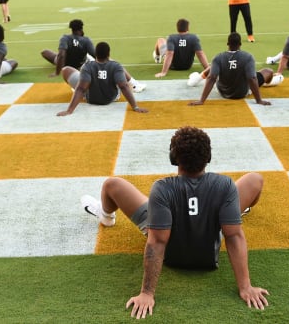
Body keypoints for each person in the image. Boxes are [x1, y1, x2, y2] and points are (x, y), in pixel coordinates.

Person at [80, 126, 269, 317]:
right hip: (209, 245)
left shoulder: (162, 188)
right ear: (208, 158)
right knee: (255, 179)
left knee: (111, 184)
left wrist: (147, 293)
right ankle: (231, 214)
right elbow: (234, 235)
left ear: (173, 158)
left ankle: (105, 216)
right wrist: (245, 287)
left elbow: (157, 242)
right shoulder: (225, 185)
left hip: (170, 250)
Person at [57, 42, 148, 116]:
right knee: (118, 69)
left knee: (66, 70)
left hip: (91, 98)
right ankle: (134, 85)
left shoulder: (87, 66)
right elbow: (124, 87)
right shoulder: (116, 66)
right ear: (108, 54)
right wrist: (135, 107)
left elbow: (81, 89)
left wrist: (69, 110)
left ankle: (80, 86)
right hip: (112, 98)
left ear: (95, 54)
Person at [189, 33, 271, 106]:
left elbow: (211, 78)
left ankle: (198, 78)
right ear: (240, 44)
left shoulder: (218, 58)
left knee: (213, 66)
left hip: (223, 92)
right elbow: (252, 78)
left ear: (227, 43)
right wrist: (259, 100)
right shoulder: (248, 57)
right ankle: (273, 80)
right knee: (268, 72)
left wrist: (201, 100)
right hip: (241, 93)